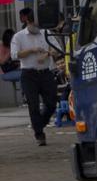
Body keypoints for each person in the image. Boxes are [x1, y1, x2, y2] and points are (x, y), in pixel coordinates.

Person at [10, 9, 60, 146]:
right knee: (33, 105)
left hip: (45, 72)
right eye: (34, 25)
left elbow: (57, 49)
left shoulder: (46, 33)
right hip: (29, 74)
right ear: (28, 22)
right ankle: (39, 134)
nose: (37, 28)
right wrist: (31, 51)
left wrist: (48, 54)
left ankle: (39, 124)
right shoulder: (19, 37)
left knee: (51, 103)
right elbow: (14, 55)